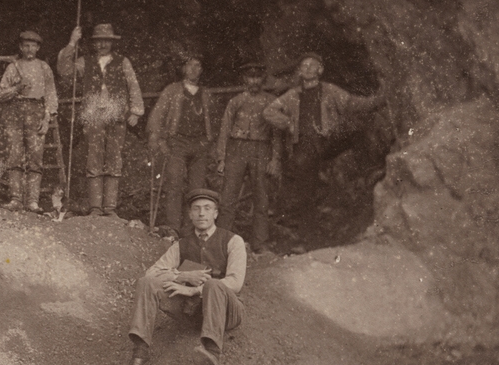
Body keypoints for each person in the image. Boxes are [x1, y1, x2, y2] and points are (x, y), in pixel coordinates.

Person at [122, 188, 246, 365]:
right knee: (147, 283)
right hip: (192, 313)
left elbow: (235, 282)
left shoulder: (233, 241)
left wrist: (194, 289)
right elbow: (151, 274)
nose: (201, 213)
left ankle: (212, 355)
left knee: (214, 284)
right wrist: (181, 276)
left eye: (207, 208)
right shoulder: (182, 245)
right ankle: (139, 355)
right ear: (190, 214)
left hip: (227, 314)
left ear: (216, 213)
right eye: (196, 209)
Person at [262, 52, 383, 218]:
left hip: (327, 141)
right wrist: (288, 123)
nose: (308, 68)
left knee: (357, 130)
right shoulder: (292, 95)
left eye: (312, 65)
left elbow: (353, 103)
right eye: (304, 66)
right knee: (305, 179)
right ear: (299, 71)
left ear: (320, 70)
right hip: (304, 145)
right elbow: (269, 111)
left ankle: (369, 173)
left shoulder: (330, 90)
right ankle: (306, 218)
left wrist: (378, 100)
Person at [57, 23, 144, 216]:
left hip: (116, 114)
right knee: (94, 158)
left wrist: (136, 111)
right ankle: (95, 207)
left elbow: (133, 85)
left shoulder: (122, 62)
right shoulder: (85, 62)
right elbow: (64, 70)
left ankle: (110, 208)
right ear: (93, 43)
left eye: (107, 41)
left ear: (112, 43)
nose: (103, 45)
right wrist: (72, 43)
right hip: (93, 114)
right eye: (99, 41)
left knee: (114, 159)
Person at [215, 62, 282, 249]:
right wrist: (221, 158)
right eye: (250, 77)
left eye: (257, 77)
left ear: (263, 79)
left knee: (262, 198)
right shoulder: (236, 101)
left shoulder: (271, 101)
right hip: (237, 149)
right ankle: (221, 243)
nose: (254, 81)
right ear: (244, 79)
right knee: (228, 197)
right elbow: (225, 129)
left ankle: (260, 243)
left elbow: (277, 134)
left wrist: (275, 159)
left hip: (262, 149)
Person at [147, 55, 212, 235]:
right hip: (177, 143)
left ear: (201, 69)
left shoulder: (206, 94)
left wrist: (209, 142)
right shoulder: (172, 90)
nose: (193, 69)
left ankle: (191, 229)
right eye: (189, 65)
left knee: (197, 189)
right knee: (174, 183)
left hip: (199, 144)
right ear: (183, 68)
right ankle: (173, 227)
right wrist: (157, 138)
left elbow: (212, 120)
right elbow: (157, 115)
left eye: (197, 65)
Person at [0, 30, 59, 212]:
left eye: (33, 46)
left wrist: (47, 118)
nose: (29, 49)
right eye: (26, 46)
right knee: (14, 156)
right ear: (20, 47)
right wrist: (17, 88)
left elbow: (51, 95)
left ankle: (32, 201)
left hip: (36, 112)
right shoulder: (12, 68)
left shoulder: (44, 68)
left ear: (38, 48)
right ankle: (15, 199)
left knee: (35, 158)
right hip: (15, 113)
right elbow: (1, 94)